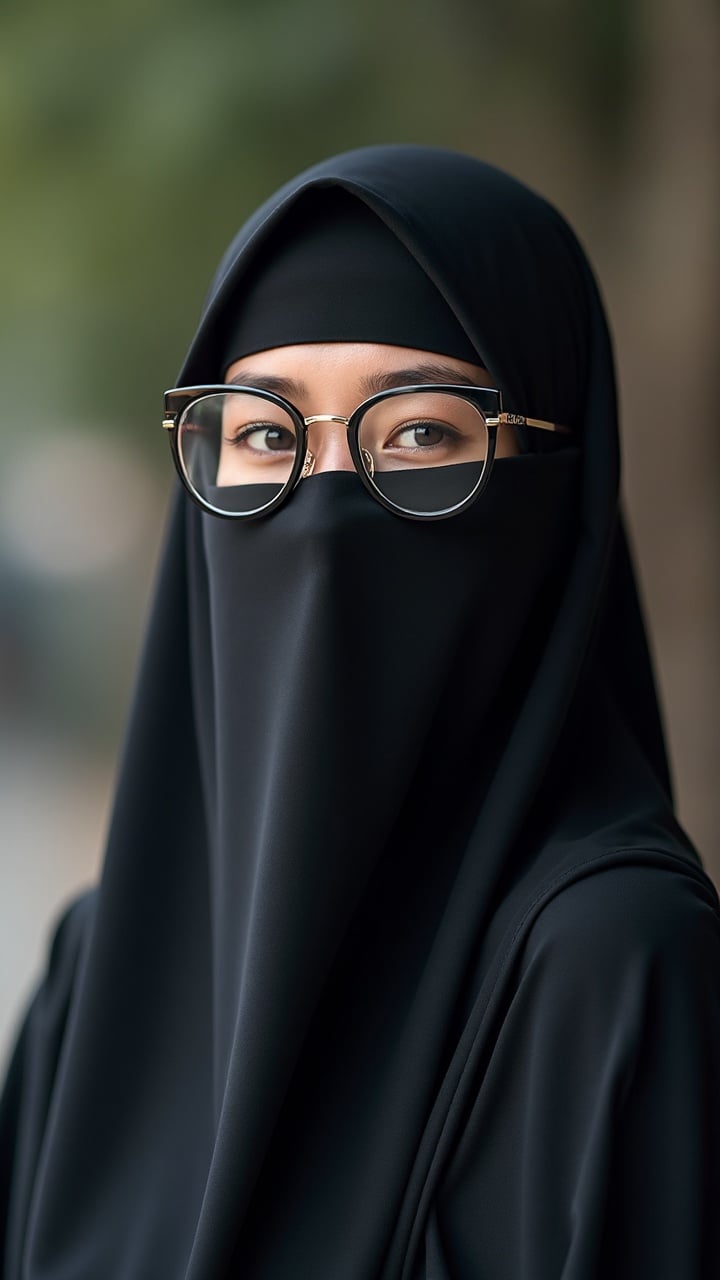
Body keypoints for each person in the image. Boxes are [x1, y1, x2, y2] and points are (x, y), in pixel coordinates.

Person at [1, 144, 719, 1279]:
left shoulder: (614, 971)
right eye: (264, 434)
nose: (325, 513)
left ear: (555, 489)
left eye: (422, 433)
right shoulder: (97, 970)